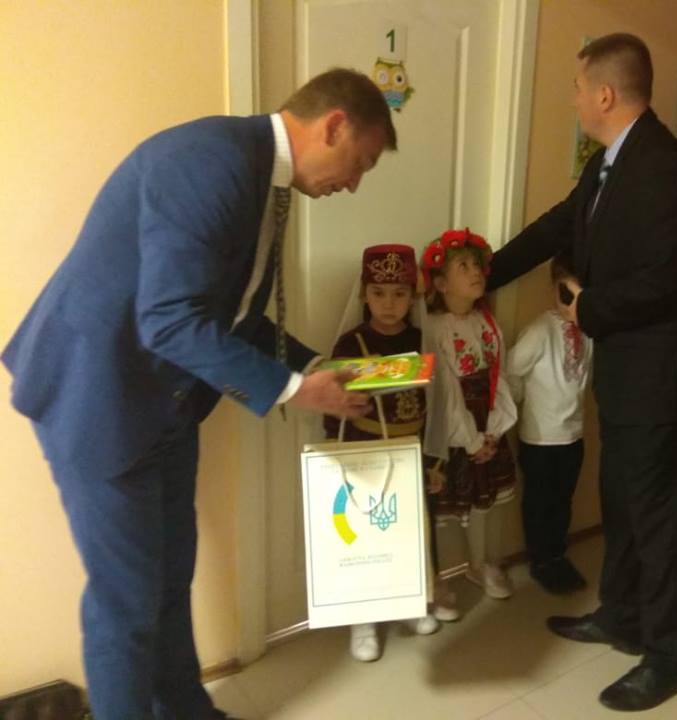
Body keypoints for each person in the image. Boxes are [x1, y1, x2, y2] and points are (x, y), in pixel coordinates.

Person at [1, 68, 394, 719]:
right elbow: (169, 321)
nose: (353, 183)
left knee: (168, 580)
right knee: (125, 605)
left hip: (167, 406)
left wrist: (315, 365)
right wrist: (294, 390)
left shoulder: (263, 178)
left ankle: (186, 710)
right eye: (362, 163)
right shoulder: (213, 162)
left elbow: (233, 312)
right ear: (334, 126)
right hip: (98, 400)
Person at [487, 34, 677, 712]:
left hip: (663, 383)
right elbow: (558, 226)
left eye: (579, 87)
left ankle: (668, 654)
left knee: (660, 521)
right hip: (624, 377)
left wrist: (587, 308)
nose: (575, 99)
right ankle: (620, 615)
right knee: (621, 501)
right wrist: (478, 270)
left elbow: (668, 280)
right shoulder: (609, 162)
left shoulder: (664, 166)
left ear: (606, 94)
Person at [322, 243, 441, 662]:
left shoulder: (422, 340)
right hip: (365, 451)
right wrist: (339, 454)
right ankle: (363, 619)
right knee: (366, 534)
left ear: (413, 296)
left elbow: (438, 404)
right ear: (364, 294)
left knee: (410, 531)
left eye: (399, 294)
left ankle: (410, 602)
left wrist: (434, 459)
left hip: (411, 450)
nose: (389, 304)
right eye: (378, 293)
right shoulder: (351, 343)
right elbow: (334, 402)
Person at [420, 228, 518, 616]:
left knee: (484, 499)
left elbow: (499, 377)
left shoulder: (487, 323)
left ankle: (479, 563)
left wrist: (494, 430)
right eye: (463, 266)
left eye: (477, 264)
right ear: (441, 283)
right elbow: (445, 391)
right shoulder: (434, 328)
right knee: (446, 503)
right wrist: (471, 438)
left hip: (487, 421)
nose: (475, 271)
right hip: (457, 429)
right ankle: (436, 577)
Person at [506, 253, 593, 594]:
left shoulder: (589, 332)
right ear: (554, 287)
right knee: (539, 502)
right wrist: (510, 414)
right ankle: (541, 560)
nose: (572, 303)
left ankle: (557, 554)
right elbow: (512, 371)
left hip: (573, 434)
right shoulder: (540, 331)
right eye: (565, 292)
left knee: (562, 500)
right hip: (540, 437)